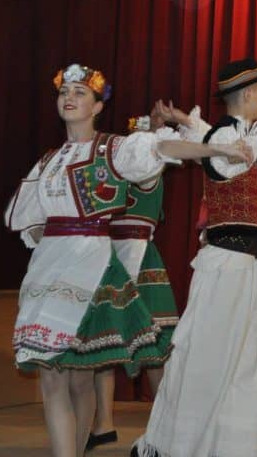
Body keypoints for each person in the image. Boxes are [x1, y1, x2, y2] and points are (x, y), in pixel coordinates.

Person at [4, 63, 250, 457]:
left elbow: (162, 148)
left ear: (98, 106)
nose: (69, 98)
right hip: (48, 268)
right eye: (64, 92)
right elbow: (26, 218)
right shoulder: (49, 160)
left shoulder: (113, 148)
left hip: (88, 265)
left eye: (80, 93)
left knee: (78, 377)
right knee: (52, 376)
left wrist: (216, 149)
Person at [133, 58, 257, 457]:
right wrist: (201, 130)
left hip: (248, 262)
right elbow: (229, 155)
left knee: (243, 362)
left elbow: (217, 140)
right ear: (247, 94)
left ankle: (227, 447)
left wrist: (184, 118)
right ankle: (173, 445)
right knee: (207, 358)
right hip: (225, 263)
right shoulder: (233, 138)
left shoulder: (233, 133)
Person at [87, 111, 181, 451]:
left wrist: (156, 134)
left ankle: (166, 422)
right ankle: (103, 423)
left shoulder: (149, 169)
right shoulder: (117, 170)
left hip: (140, 256)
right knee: (105, 341)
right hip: (109, 256)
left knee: (154, 344)